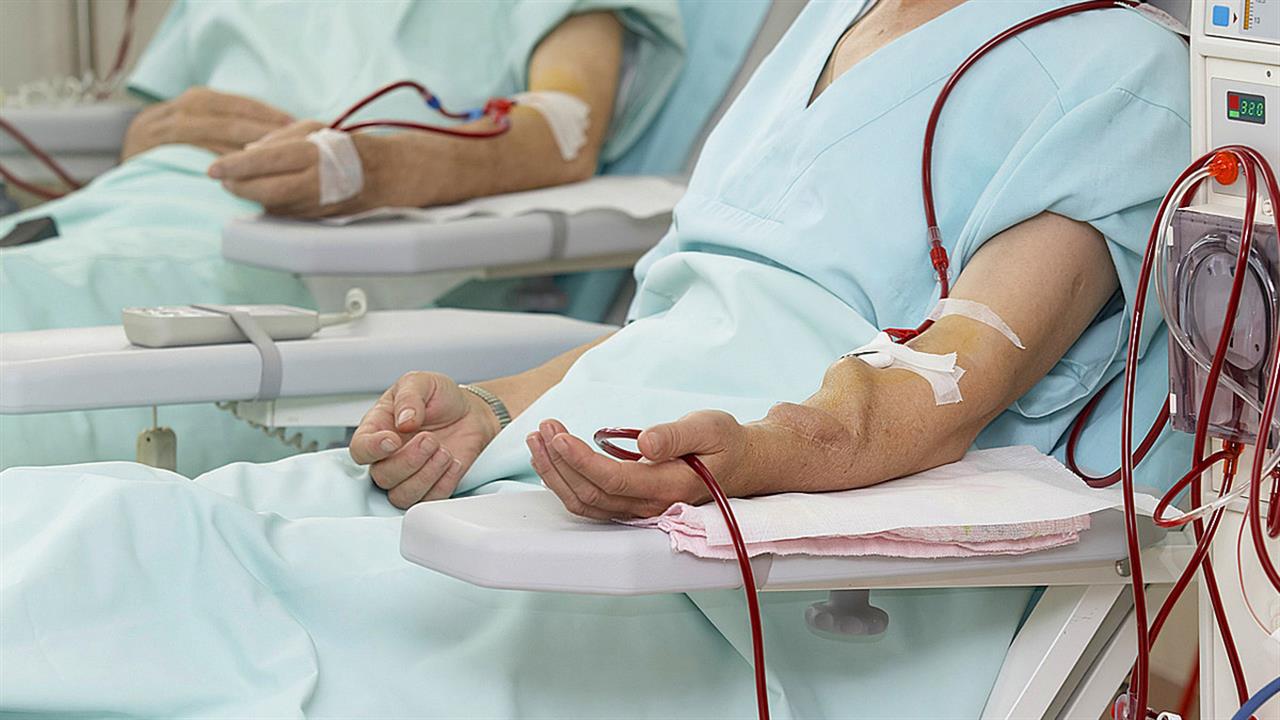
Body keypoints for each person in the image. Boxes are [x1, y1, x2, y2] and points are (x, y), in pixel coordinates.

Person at [0, 1, 1192, 716]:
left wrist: (741, 459)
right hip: (559, 486)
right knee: (116, 529)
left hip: (735, 582)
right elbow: (675, 324)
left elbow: (925, 399)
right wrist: (488, 408)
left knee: (130, 587)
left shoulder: (1118, 78)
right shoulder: (831, 27)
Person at [0, 0, 684, 475]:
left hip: (285, 248)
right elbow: (160, 116)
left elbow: (560, 133)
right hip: (110, 212)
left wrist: (366, 167)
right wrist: (150, 135)